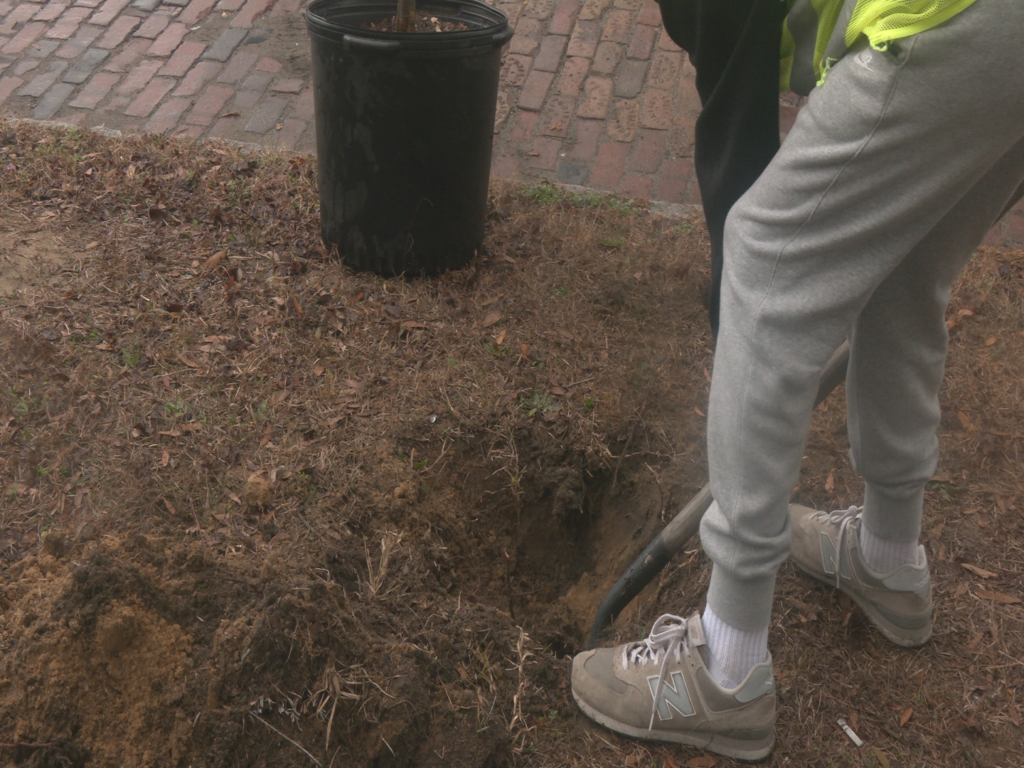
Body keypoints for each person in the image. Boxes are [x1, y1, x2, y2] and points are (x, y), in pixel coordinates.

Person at [570, 0, 1024, 760]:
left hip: (938, 20)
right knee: (904, 269)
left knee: (763, 257)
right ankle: (888, 560)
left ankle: (726, 665)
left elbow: (735, 144)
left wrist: (754, 306)